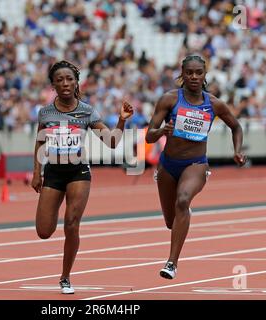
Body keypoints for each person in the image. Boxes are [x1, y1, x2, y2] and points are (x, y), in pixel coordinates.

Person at [31, 60, 133, 294]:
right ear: (53, 85)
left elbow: (112, 141)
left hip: (79, 172)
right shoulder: (45, 113)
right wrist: (37, 172)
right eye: (60, 80)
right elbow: (39, 141)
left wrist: (122, 120)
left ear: (76, 82)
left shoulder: (86, 111)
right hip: (53, 172)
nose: (65, 83)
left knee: (71, 223)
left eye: (69, 79)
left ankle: (65, 276)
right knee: (44, 231)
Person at [145, 55, 246, 280]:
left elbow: (236, 126)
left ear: (204, 75)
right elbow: (150, 137)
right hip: (168, 165)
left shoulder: (214, 104)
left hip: (196, 164)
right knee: (171, 222)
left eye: (198, 72)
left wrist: (237, 150)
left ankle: (171, 263)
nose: (193, 77)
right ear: (182, 74)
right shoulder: (169, 100)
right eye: (189, 72)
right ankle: (184, 213)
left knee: (182, 199)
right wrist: (163, 131)